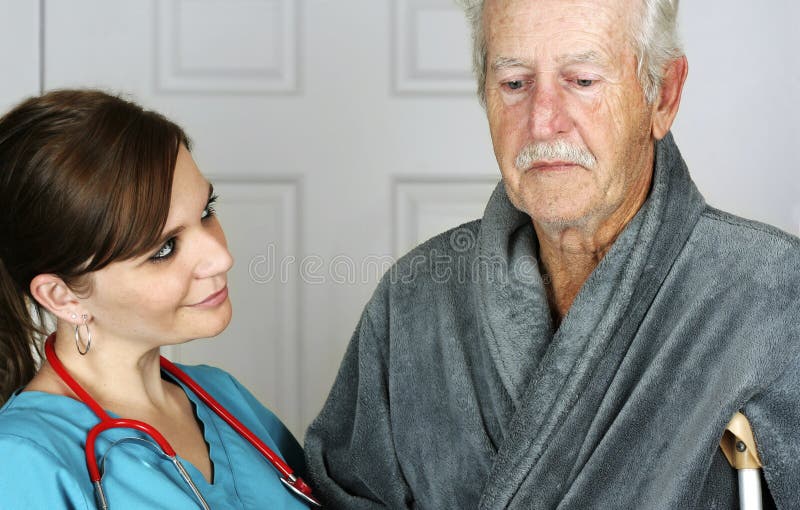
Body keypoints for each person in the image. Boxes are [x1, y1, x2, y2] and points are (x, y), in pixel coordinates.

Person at [304, 0, 800, 508]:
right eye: (515, 83)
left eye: (582, 80)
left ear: (663, 96)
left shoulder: (774, 297)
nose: (543, 122)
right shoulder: (411, 301)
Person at [0, 90, 316, 508]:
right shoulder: (22, 462)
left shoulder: (221, 396)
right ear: (63, 296)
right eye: (164, 248)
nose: (221, 257)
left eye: (206, 211)